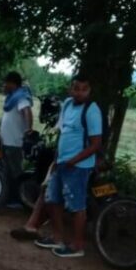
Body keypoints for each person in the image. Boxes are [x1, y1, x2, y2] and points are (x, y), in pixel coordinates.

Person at [35, 74, 102, 258]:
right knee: (52, 199)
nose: (79, 93)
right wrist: (57, 158)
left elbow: (96, 144)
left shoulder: (91, 110)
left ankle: (77, 245)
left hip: (78, 167)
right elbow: (63, 133)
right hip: (62, 162)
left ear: (89, 91)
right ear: (70, 89)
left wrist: (75, 160)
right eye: (76, 88)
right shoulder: (67, 105)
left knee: (76, 205)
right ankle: (58, 238)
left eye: (83, 89)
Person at [0, 71, 34, 208]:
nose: (4, 85)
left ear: (12, 84)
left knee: (15, 172)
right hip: (6, 141)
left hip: (14, 142)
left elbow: (27, 111)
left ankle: (17, 199)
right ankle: (8, 198)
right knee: (7, 171)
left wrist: (28, 130)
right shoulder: (12, 98)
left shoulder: (21, 97)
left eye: (5, 83)